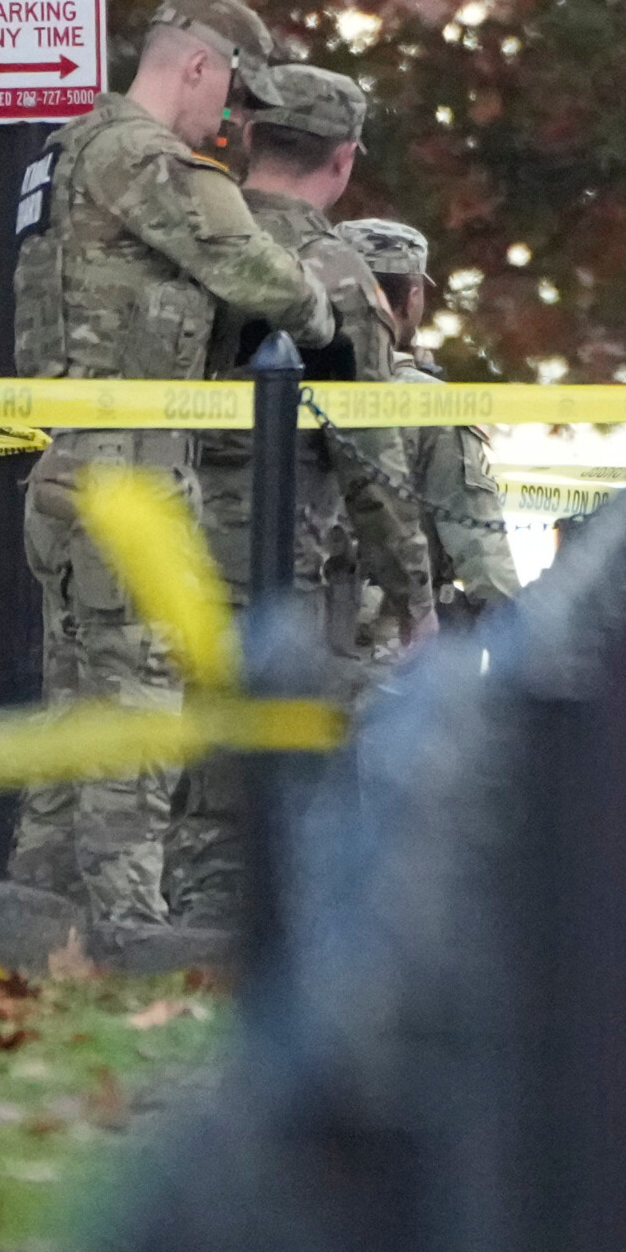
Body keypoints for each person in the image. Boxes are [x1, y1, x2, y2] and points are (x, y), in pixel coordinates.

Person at [7, 0, 338, 944]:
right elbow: (257, 268)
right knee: (139, 727)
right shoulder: (139, 156)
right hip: (130, 478)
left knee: (77, 727)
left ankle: (27, 945)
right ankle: (121, 944)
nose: (231, 121)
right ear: (195, 64)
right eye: (232, 94)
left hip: (78, 467)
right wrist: (318, 309)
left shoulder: (70, 150)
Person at [167, 64, 436, 932]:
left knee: (176, 780)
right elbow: (371, 461)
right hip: (279, 573)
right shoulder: (338, 277)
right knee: (279, 786)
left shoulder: (180, 237)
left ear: (248, 137)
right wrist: (413, 599)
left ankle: (171, 953)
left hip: (152, 549)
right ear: (344, 159)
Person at [337, 216, 522, 627]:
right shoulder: (429, 402)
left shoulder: (276, 378)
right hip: (397, 636)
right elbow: (478, 545)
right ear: (413, 297)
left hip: (284, 632)